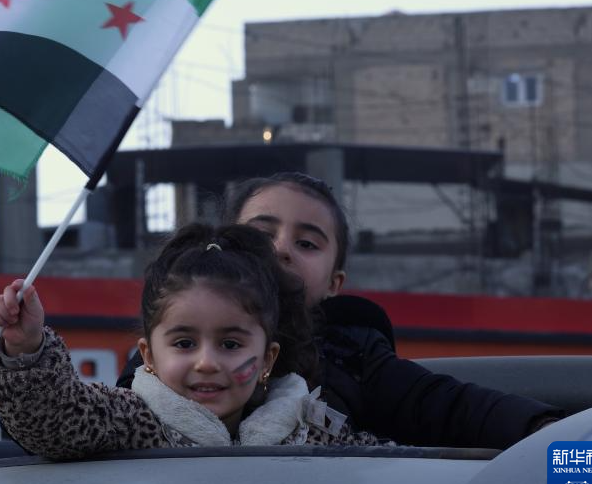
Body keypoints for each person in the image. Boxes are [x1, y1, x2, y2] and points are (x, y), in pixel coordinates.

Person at [117, 172, 563, 449]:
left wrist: (563, 439)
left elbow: (453, 409)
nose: (281, 249)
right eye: (262, 233)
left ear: (335, 283)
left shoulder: (356, 359)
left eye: (307, 243)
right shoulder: (158, 362)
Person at [0, 223, 385, 460]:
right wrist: (24, 350)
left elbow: (385, 477)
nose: (207, 362)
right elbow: (56, 419)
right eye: (185, 343)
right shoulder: (131, 421)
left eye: (231, 345)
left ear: (267, 360)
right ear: (148, 355)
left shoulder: (314, 434)